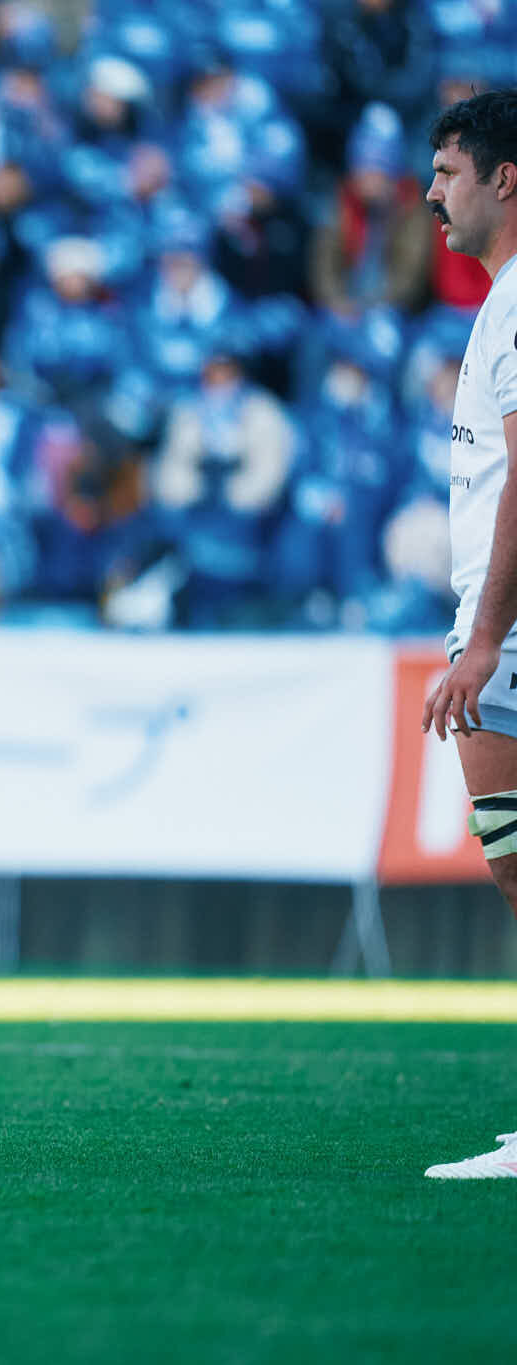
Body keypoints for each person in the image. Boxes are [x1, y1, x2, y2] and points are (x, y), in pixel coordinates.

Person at [417, 89, 517, 1180]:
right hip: (498, 613)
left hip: (509, 620)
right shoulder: (498, 303)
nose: (430, 193)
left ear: (504, 176)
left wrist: (483, 638)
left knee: (516, 865)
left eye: (447, 173)